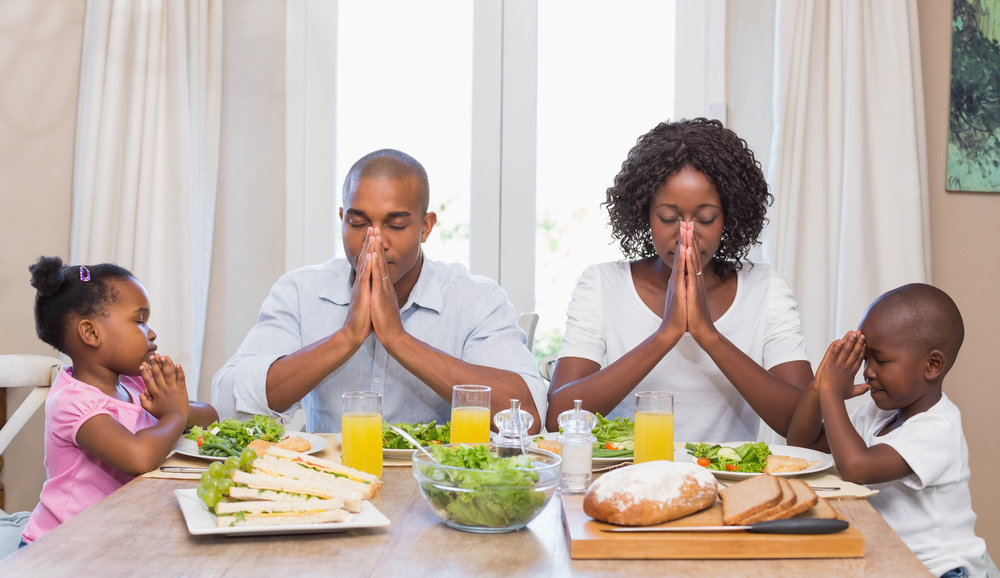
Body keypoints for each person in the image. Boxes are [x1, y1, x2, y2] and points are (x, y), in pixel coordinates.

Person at [212, 149, 546, 433]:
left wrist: (399, 340)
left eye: (396, 225)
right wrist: (345, 338)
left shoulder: (476, 299)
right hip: (331, 479)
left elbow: (528, 418)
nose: (375, 241)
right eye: (358, 223)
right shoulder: (299, 292)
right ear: (342, 219)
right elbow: (227, 404)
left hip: (433, 480)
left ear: (425, 227)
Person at [546, 118, 813, 438]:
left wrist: (707, 334)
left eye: (706, 218)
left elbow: (806, 427)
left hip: (725, 472)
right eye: (668, 217)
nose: (686, 235)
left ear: (729, 216)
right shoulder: (602, 285)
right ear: (645, 213)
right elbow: (558, 418)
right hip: (628, 469)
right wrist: (667, 333)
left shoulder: (765, 288)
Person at [787, 284, 987, 578]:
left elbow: (857, 467)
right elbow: (802, 448)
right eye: (866, 359)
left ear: (932, 365)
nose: (868, 371)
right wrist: (818, 388)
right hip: (892, 562)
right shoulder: (877, 413)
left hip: (942, 571)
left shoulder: (939, 429)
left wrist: (832, 393)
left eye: (880, 360)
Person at [21, 256, 218, 545]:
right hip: (61, 545)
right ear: (91, 333)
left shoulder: (134, 383)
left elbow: (211, 419)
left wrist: (177, 407)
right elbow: (138, 457)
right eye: (139, 321)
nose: (152, 332)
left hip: (118, 535)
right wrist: (174, 415)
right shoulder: (73, 402)